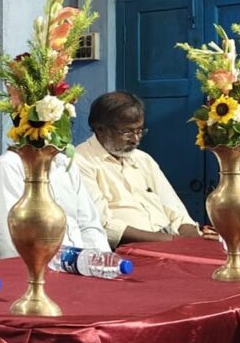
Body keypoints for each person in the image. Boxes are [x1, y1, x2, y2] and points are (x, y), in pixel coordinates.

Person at [76, 91, 213, 247]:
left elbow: (177, 212)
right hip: (126, 249)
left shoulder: (143, 159)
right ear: (100, 129)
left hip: (170, 242)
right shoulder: (80, 162)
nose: (135, 139)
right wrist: (169, 241)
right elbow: (103, 225)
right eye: (127, 132)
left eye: (139, 131)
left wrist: (193, 241)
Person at [0, 146, 111, 258]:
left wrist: (101, 262)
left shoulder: (66, 164)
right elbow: (21, 242)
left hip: (80, 265)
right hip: (30, 269)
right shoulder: (8, 166)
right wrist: (74, 263)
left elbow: (89, 225)